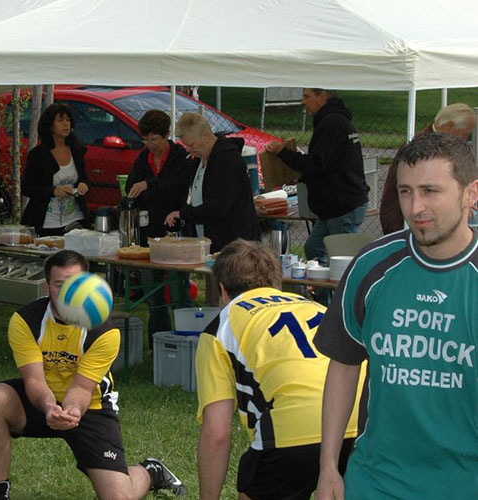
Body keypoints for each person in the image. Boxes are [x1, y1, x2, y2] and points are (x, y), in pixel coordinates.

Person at [314, 132, 478, 500]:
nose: (415, 207)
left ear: (471, 194)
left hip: (465, 484)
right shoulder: (372, 266)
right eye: (406, 191)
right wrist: (328, 468)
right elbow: (343, 366)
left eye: (430, 191)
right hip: (376, 480)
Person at [0, 250, 186, 500]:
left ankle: (152, 471)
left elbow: (82, 389)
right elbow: (34, 380)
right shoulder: (26, 320)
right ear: (47, 287)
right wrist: (49, 407)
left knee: (120, 497)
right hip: (41, 399)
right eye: (59, 285)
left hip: (89, 407)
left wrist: (72, 411)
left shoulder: (105, 332)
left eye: (74, 285)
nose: (68, 294)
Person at [195, 240, 364, 500]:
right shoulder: (315, 306)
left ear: (222, 290)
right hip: (359, 421)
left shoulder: (220, 326)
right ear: (277, 283)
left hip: (293, 428)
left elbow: (217, 433)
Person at [265, 89, 369, 262]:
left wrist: (283, 152)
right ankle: (322, 279)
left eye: (307, 96)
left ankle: (338, 280)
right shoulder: (334, 121)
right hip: (335, 205)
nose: (303, 102)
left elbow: (317, 163)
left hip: (343, 205)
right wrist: (302, 177)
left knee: (341, 258)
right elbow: (329, 165)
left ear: (322, 97)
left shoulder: (331, 123)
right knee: (314, 248)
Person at [125, 109, 193, 344]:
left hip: (175, 234)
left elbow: (178, 186)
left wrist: (149, 185)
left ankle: (188, 341)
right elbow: (131, 188)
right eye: (145, 139)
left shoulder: (180, 157)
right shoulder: (142, 159)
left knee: (178, 293)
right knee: (153, 296)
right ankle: (159, 344)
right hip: (148, 235)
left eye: (154, 139)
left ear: (166, 135)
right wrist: (145, 187)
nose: (149, 145)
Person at [164, 112, 260, 253]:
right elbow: (201, 200)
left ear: (205, 135)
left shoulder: (228, 160)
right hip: (211, 241)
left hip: (235, 245)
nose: (188, 149)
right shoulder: (198, 160)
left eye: (191, 144)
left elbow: (217, 207)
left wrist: (183, 214)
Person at [380, 102, 476, 234]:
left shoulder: (437, 143)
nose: (464, 140)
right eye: (463, 134)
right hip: (403, 223)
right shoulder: (422, 147)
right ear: (450, 126)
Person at [21, 103, 89, 236]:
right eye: (60, 120)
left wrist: (84, 185)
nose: (66, 124)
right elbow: (27, 188)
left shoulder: (77, 149)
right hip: (46, 222)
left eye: (68, 120)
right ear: (50, 125)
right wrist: (53, 191)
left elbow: (84, 178)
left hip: (75, 219)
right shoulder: (38, 154)